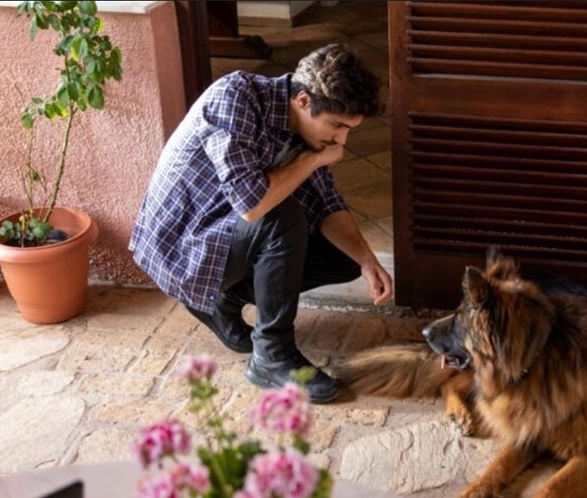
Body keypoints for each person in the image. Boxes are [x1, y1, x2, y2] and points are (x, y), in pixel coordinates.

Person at [129, 44, 393, 404]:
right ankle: (272, 355)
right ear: (303, 100)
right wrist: (310, 162)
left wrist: (367, 260)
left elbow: (327, 201)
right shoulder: (234, 99)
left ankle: (222, 300)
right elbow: (253, 206)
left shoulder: (303, 127)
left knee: (344, 253)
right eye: (336, 127)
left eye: (349, 131)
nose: (341, 143)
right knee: (280, 216)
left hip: (224, 235)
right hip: (183, 248)